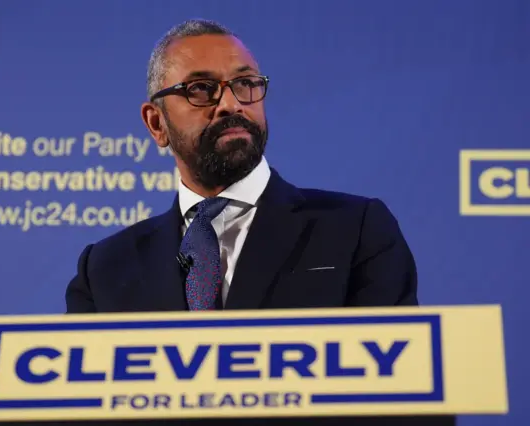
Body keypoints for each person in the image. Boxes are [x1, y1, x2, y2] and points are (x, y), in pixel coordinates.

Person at [65, 19, 418, 314]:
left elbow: (398, 375)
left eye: (245, 83)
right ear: (156, 123)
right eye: (201, 89)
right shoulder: (104, 269)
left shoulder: (356, 231)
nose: (231, 104)